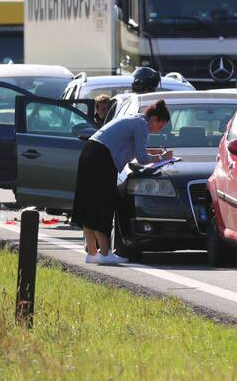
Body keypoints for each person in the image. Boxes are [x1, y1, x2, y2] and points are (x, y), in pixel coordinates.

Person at [71, 100, 172, 265]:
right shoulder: (142, 125)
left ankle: (92, 252)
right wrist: (162, 158)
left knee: (89, 204)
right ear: (154, 119)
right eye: (160, 126)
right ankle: (104, 253)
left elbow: (135, 148)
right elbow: (142, 158)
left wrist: (156, 152)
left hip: (90, 152)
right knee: (102, 205)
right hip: (102, 158)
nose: (158, 130)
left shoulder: (135, 120)